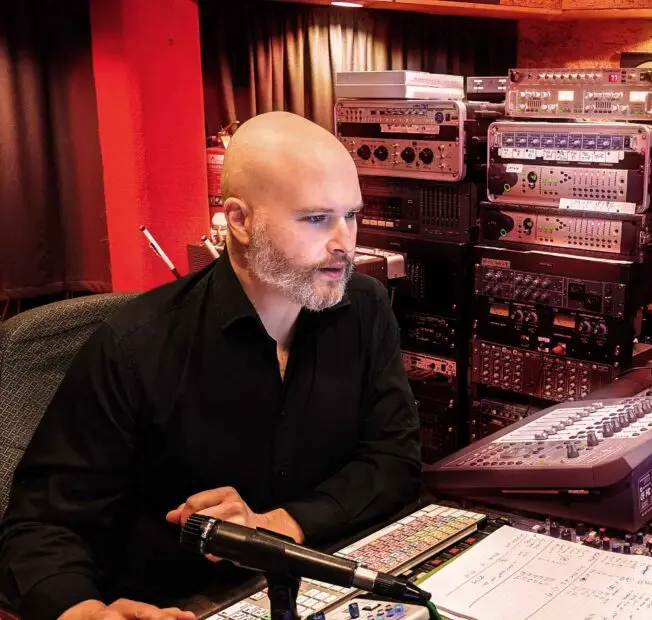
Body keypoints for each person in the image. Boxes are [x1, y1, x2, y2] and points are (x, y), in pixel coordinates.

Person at [0, 112, 421, 620]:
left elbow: (394, 460)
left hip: (320, 580)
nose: (344, 243)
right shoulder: (136, 345)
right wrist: (79, 610)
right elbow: (39, 524)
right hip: (181, 603)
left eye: (351, 215)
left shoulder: (365, 307)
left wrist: (278, 524)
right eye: (315, 218)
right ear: (239, 221)